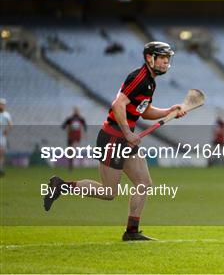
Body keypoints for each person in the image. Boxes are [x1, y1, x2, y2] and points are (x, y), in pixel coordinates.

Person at [43, 42, 187, 241]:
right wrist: (128, 133)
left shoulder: (150, 82)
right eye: (162, 57)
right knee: (109, 192)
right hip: (113, 136)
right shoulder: (140, 78)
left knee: (143, 183)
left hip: (125, 139)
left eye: (168, 59)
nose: (166, 62)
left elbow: (143, 111)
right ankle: (61, 185)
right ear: (149, 58)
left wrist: (169, 111)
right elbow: (118, 104)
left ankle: (132, 231)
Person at [61, 107, 87, 171]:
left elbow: (63, 126)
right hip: (73, 137)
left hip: (74, 137)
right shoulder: (76, 119)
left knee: (71, 151)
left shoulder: (72, 119)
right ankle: (71, 165)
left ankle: (71, 164)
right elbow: (85, 127)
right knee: (71, 151)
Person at [0, 98, 13, 177]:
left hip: (2, 136)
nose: (2, 106)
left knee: (1, 153)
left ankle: (0, 168)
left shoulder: (6, 114)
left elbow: (10, 125)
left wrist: (7, 131)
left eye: (3, 104)